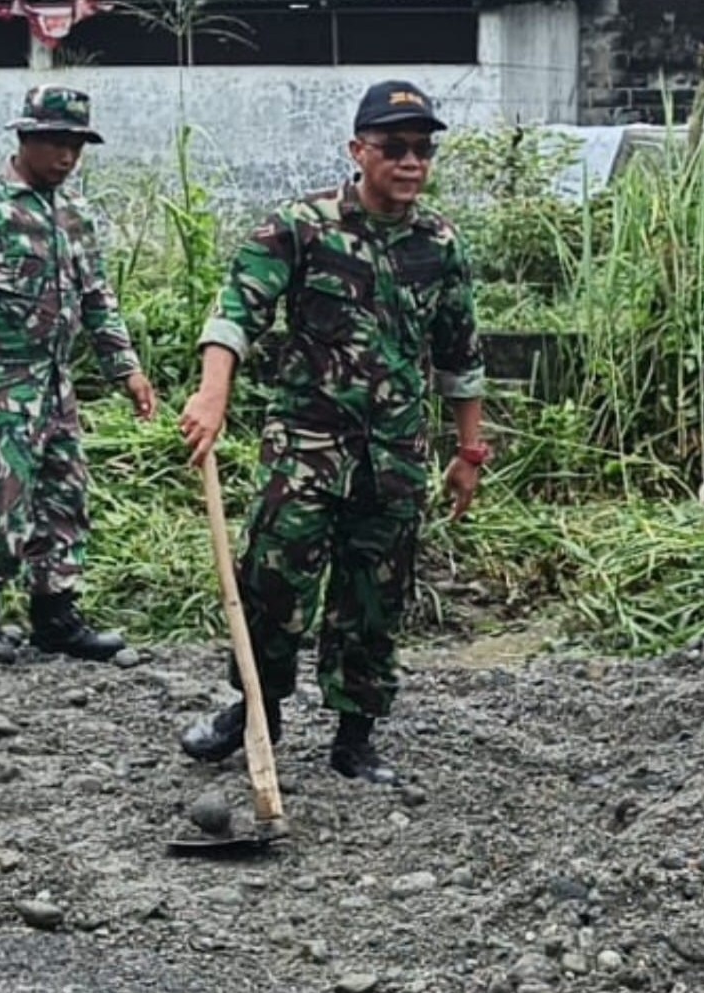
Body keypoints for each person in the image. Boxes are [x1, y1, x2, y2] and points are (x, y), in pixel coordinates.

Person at [178, 79, 487, 784]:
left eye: (423, 150)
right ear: (359, 150)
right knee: (274, 579)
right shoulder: (303, 225)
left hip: (396, 456)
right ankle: (256, 707)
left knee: (376, 594)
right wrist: (212, 393)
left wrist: (468, 451)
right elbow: (237, 308)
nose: (411, 163)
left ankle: (356, 733)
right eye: (395, 148)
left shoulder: (439, 244)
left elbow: (461, 356)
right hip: (307, 448)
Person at [0, 85, 157, 665]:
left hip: (55, 384)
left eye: (75, 145)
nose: (66, 157)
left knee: (63, 498)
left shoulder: (77, 214)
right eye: (54, 143)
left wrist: (128, 369)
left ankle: (56, 616)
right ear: (24, 138)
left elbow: (98, 298)